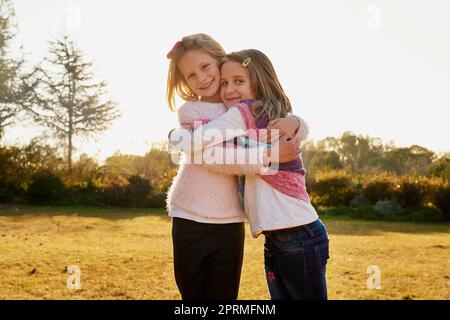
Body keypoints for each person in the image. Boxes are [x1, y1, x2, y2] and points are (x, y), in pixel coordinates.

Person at [170, 49, 330, 300]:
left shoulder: (244, 111)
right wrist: (297, 122)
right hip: (283, 236)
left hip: (296, 233)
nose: (229, 89)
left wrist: (175, 137)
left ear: (259, 81)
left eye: (239, 81)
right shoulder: (266, 113)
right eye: (225, 83)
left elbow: (198, 142)